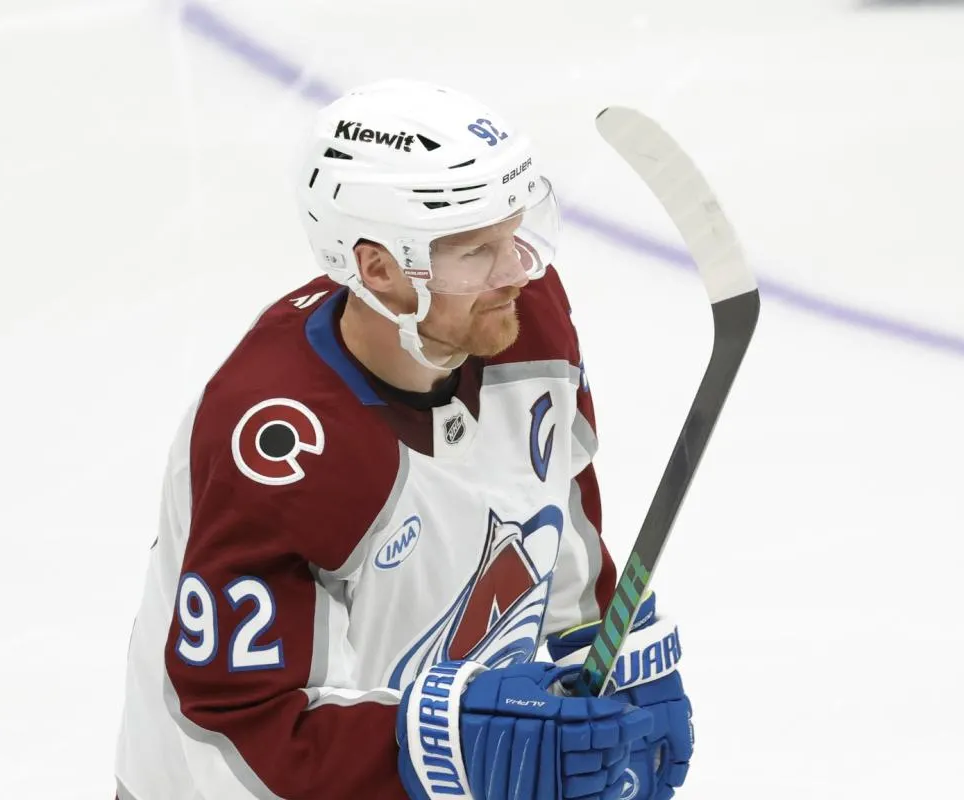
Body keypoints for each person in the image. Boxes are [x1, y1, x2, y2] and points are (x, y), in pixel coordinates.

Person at [113, 78, 694, 800]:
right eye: (477, 251)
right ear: (378, 268)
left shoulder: (522, 320)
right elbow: (243, 726)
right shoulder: (280, 441)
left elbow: (556, 502)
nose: (517, 270)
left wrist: (612, 648)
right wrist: (467, 749)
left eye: (517, 232)